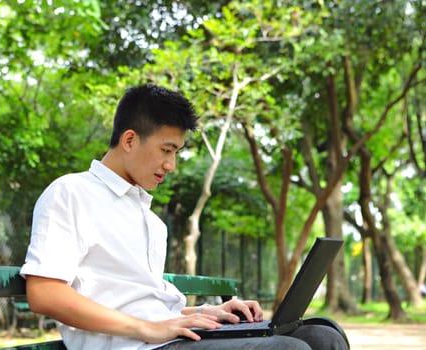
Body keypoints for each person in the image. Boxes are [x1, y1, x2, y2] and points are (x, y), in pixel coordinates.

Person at [20, 84, 349, 350]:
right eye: (166, 150)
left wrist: (208, 313)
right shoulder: (71, 192)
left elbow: (145, 301)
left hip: (169, 338)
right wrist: (148, 328)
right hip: (131, 346)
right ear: (130, 140)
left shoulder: (149, 219)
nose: (171, 165)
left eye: (176, 153)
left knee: (323, 336)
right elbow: (45, 292)